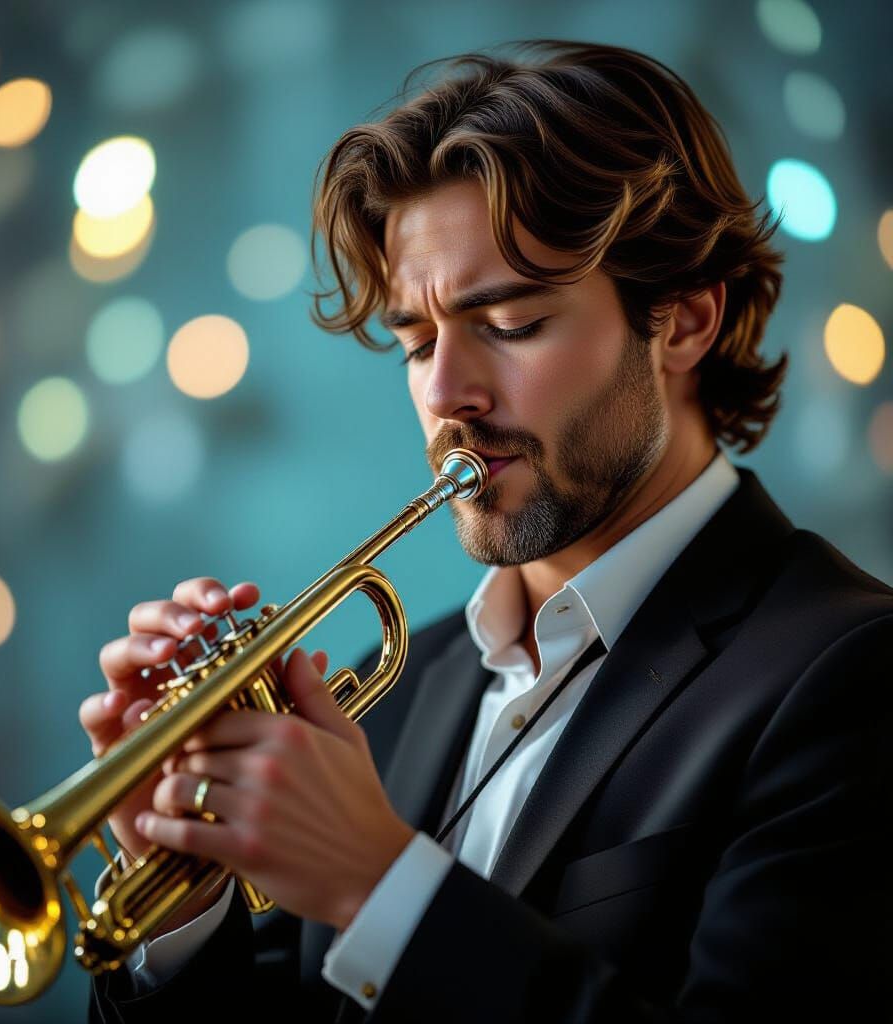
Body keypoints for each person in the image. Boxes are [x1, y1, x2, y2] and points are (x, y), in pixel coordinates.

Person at [82, 40, 893, 1023]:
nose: (444, 394)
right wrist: (184, 898)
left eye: (508, 324)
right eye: (417, 341)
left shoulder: (855, 673)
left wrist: (378, 885)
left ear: (682, 322)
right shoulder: (396, 691)